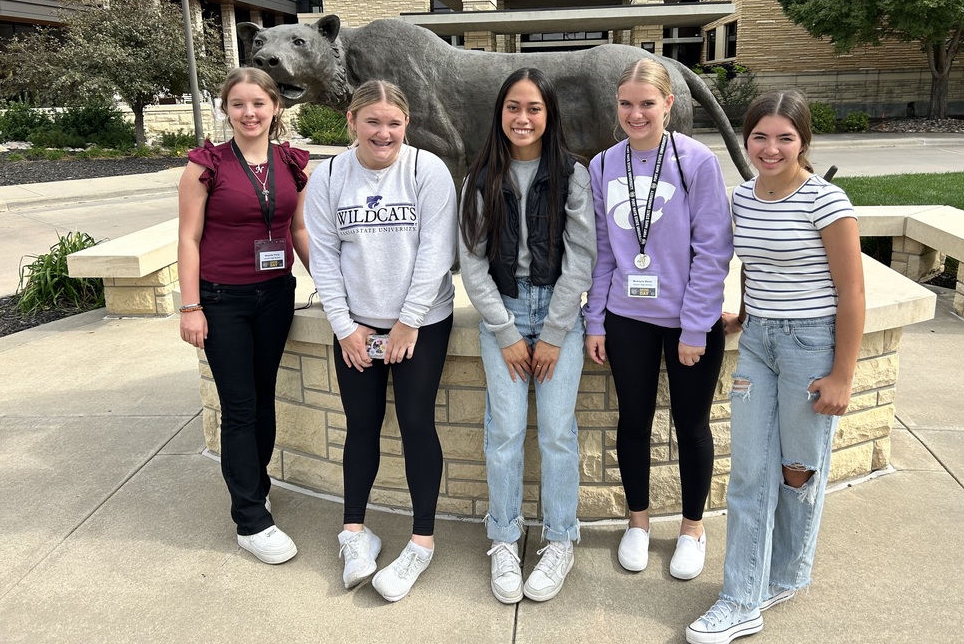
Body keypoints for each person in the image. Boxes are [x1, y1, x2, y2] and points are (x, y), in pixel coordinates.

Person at [686, 90, 865, 644]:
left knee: (798, 467)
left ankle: (785, 573)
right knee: (750, 470)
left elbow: (851, 290)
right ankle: (741, 598)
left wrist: (842, 375)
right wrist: (745, 311)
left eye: (784, 137)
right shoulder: (742, 197)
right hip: (759, 343)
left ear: (803, 142)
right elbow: (755, 262)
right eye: (760, 136)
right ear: (746, 138)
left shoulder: (826, 202)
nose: (770, 148)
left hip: (812, 346)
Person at [305, 79, 456, 603]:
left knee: (416, 423)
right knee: (361, 426)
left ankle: (421, 541)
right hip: (358, 329)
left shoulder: (425, 169)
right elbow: (323, 254)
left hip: (420, 325)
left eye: (393, 123)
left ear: (406, 125)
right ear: (351, 121)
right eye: (372, 121)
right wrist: (345, 327)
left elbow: (438, 250)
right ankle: (354, 532)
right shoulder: (328, 176)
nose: (383, 132)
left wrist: (408, 322)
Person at [584, 58, 732, 580]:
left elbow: (713, 250)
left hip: (687, 323)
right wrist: (595, 320)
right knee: (634, 423)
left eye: (647, 103)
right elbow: (602, 251)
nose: (636, 113)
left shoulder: (696, 161)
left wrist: (695, 326)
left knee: (691, 427)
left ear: (668, 104)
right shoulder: (602, 166)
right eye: (627, 103)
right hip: (627, 320)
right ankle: (639, 522)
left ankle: (692, 527)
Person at [458, 67, 596, 604]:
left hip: (557, 312)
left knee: (558, 432)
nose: (523, 117)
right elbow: (471, 264)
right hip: (505, 314)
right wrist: (506, 331)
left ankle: (560, 538)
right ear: (500, 113)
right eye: (513, 107)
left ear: (549, 114)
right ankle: (504, 538)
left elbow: (582, 255)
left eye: (534, 108)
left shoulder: (571, 174)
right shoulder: (480, 177)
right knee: (506, 431)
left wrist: (556, 330)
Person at [178, 66, 310, 564]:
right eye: (239, 104)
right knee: (238, 407)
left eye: (259, 103)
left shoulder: (291, 162)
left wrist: (334, 287)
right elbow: (188, 239)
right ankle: (251, 521)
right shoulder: (205, 165)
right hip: (221, 300)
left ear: (275, 108)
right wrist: (191, 307)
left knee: (263, 402)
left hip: (274, 295)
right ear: (225, 109)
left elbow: (298, 232)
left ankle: (254, 487)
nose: (249, 113)